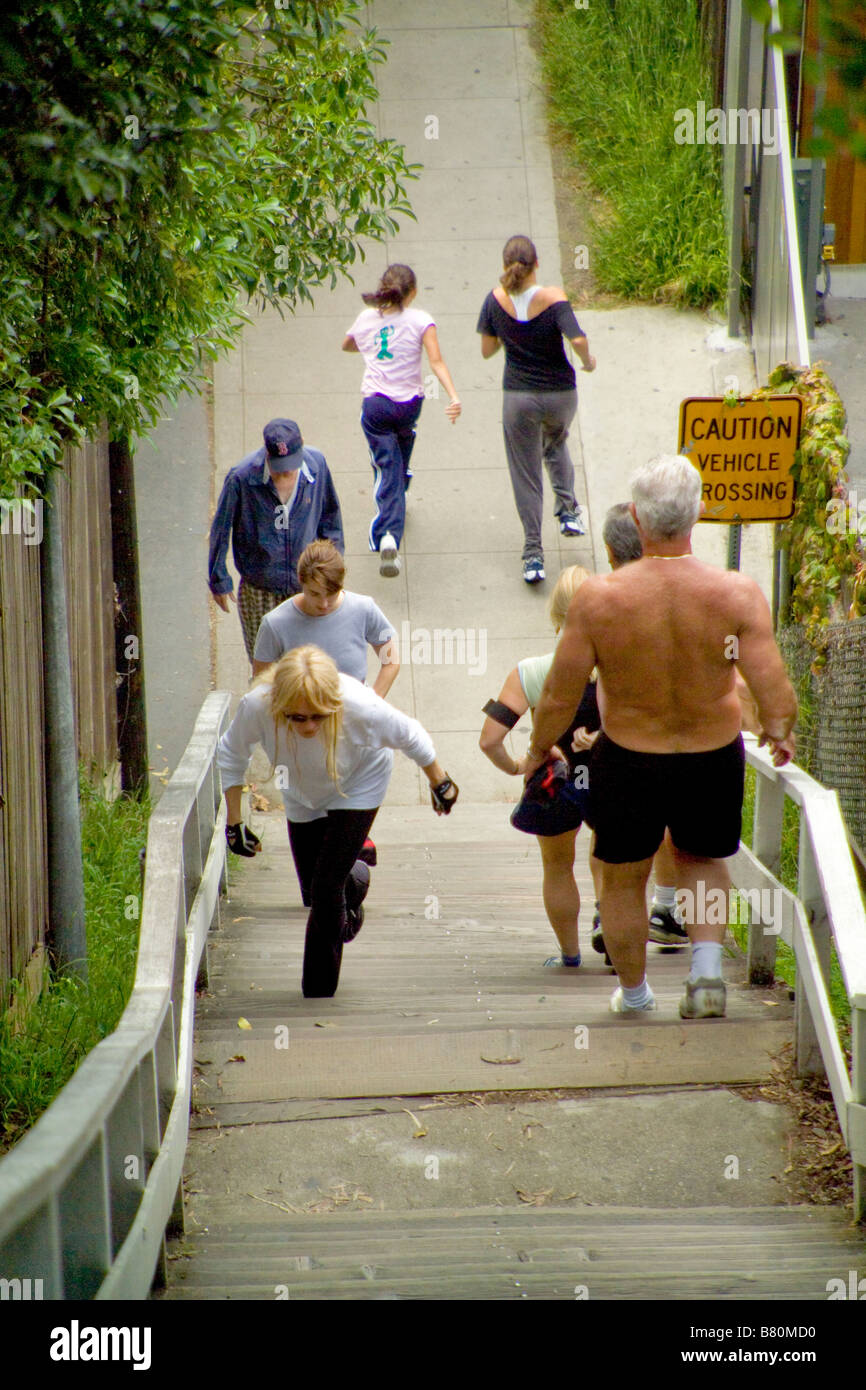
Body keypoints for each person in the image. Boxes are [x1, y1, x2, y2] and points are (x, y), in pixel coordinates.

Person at [524, 455, 797, 1019]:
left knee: (625, 878)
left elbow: (557, 693)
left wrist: (537, 746)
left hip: (628, 756)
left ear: (638, 522)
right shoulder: (736, 593)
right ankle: (705, 976)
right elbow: (773, 686)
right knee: (701, 858)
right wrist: (779, 730)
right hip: (711, 752)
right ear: (697, 513)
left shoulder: (600, 600)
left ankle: (634, 993)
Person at [217, 646, 459, 998]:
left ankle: (318, 989)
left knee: (325, 888)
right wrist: (234, 822)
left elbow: (411, 734)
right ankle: (355, 879)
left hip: (360, 782)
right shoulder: (257, 706)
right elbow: (231, 752)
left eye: (318, 716)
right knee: (314, 888)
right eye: (296, 718)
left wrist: (440, 782)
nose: (309, 726)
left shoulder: (359, 705)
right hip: (300, 788)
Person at [479, 566, 600, 968]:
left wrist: (518, 765)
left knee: (558, 867)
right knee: (614, 861)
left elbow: (489, 739)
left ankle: (570, 954)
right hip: (609, 776)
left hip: (556, 783)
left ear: (555, 614)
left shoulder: (529, 671)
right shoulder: (622, 668)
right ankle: (613, 929)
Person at [477, 234, 596, 585]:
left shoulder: (494, 301)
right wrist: (587, 361)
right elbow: (577, 339)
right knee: (556, 443)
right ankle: (569, 511)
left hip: (519, 398)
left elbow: (486, 350)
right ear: (537, 265)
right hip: (560, 393)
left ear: (505, 267)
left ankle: (533, 555)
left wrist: (508, 334)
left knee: (525, 472)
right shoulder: (554, 298)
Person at [342, 264, 461, 578]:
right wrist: (453, 396)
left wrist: (369, 345)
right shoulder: (422, 321)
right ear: (413, 293)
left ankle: (388, 533)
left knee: (386, 467)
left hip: (377, 406)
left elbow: (347, 345)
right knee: (398, 457)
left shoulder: (366, 319)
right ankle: (395, 506)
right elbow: (436, 361)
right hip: (409, 406)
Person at [208, 419, 344, 664]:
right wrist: (219, 578)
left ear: (301, 447)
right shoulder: (241, 477)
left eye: (290, 466)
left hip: (305, 585)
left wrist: (334, 568)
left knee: (308, 665)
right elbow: (221, 528)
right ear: (266, 454)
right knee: (266, 665)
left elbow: (330, 517)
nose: (284, 473)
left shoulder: (317, 466)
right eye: (278, 466)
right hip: (260, 587)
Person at [252, 540, 399, 698]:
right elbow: (261, 685)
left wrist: (372, 704)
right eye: (314, 594)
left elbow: (391, 661)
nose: (324, 604)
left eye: (331, 594)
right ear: (301, 580)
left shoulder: (364, 608)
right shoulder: (274, 623)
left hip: (354, 714)